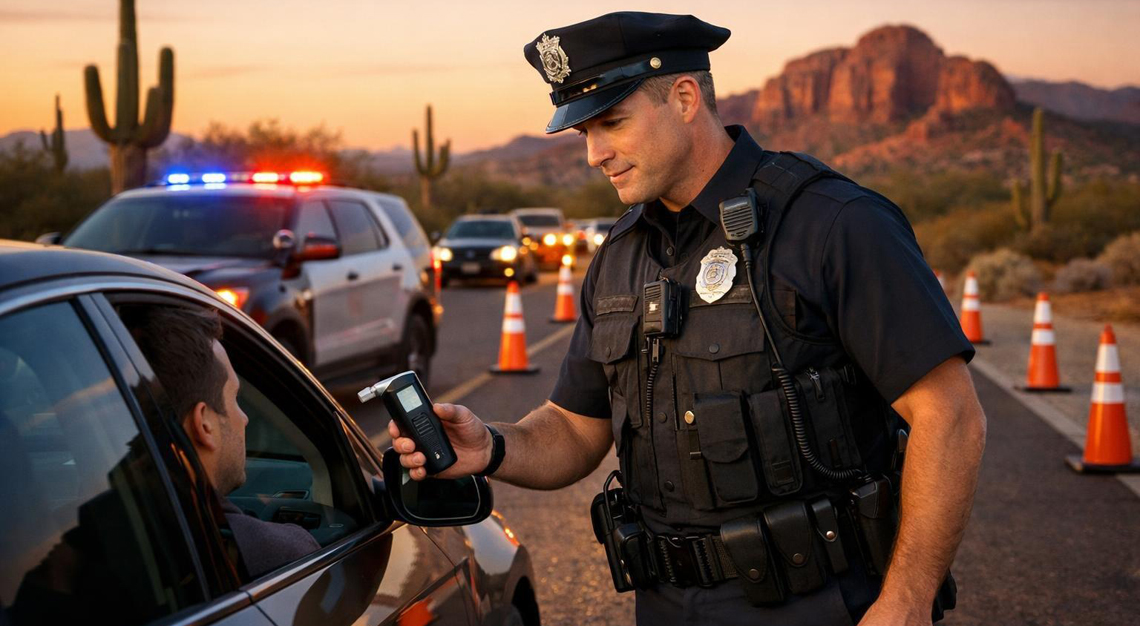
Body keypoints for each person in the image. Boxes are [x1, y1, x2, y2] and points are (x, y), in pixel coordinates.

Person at [391, 11, 986, 626]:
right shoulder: (620, 256)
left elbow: (950, 414)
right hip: (667, 604)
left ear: (683, 98)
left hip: (823, 602)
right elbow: (574, 430)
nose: (595, 154)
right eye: (582, 135)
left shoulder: (833, 224)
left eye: (612, 123)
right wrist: (490, 445)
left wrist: (908, 599)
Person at [129, 305, 320, 578]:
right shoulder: (284, 556)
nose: (244, 418)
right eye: (234, 398)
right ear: (204, 423)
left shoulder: (91, 533)